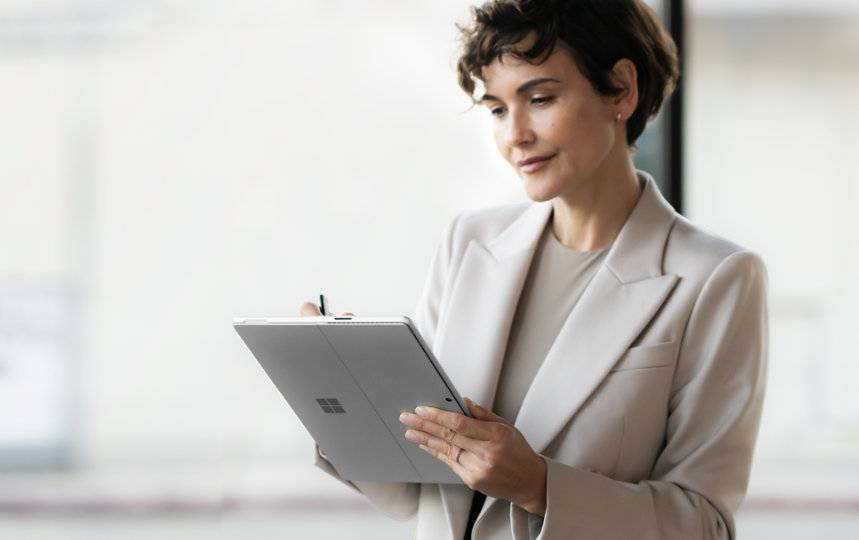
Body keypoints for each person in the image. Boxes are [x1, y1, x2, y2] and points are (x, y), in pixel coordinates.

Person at [301, 1, 767, 538]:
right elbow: (416, 490)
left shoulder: (718, 277)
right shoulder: (469, 242)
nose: (514, 135)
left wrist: (538, 486)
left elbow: (704, 524)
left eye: (539, 98)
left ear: (621, 89)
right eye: (497, 109)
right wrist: (350, 402)